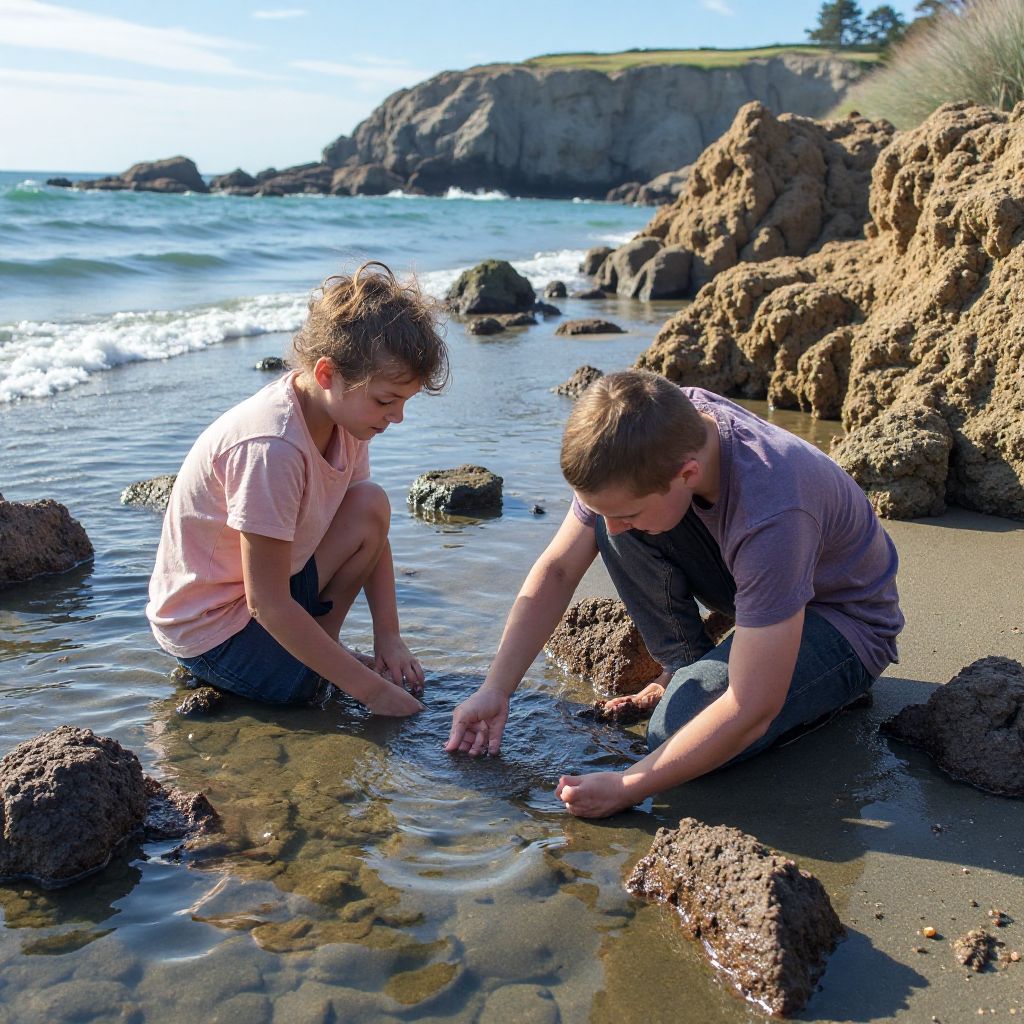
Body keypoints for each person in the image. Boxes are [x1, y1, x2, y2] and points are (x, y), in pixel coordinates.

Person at [446, 369, 904, 816]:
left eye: (626, 511)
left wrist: (630, 785)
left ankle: (825, 691)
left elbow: (751, 705)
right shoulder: (657, 429)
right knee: (613, 531)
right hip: (754, 580)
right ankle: (688, 663)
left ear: (687, 473)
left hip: (842, 621)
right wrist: (496, 689)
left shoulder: (773, 509)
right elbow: (560, 569)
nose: (612, 528)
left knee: (674, 730)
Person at [147, 262, 448, 715]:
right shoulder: (273, 447)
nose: (397, 418)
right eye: (387, 400)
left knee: (370, 505)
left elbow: (371, 531)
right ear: (327, 374)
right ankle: (307, 664)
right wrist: (372, 691)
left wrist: (388, 636)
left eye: (403, 402)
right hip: (210, 631)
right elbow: (265, 602)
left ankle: (318, 650)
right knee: (306, 691)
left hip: (266, 593)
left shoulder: (346, 419)